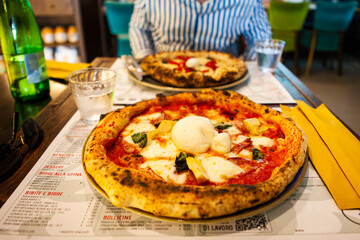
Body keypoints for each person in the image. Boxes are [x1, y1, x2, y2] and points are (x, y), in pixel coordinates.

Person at [129, 0, 272, 61]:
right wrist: (146, 60)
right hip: (162, 76)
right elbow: (138, 28)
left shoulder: (248, 2)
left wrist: (243, 68)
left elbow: (262, 40)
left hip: (224, 83)